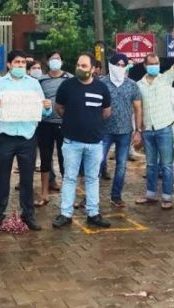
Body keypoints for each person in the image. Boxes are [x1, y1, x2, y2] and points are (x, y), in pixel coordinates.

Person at [0, 50, 52, 233]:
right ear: (9, 65)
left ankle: (28, 215)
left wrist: (47, 108)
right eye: (17, 62)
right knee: (2, 178)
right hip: (5, 136)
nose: (20, 66)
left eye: (23, 62)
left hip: (27, 136)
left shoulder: (33, 84)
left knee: (27, 179)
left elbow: (43, 110)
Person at [52, 53, 112, 228]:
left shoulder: (102, 88)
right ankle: (65, 214)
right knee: (70, 177)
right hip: (72, 142)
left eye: (84, 66)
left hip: (95, 143)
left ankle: (93, 213)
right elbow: (59, 108)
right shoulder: (66, 86)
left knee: (93, 178)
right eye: (78, 65)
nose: (80, 68)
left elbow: (106, 112)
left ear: (93, 69)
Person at [135, 28, 174, 209]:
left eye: (156, 63)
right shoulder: (138, 85)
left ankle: (167, 196)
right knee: (150, 164)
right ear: (145, 66)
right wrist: (138, 131)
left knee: (167, 165)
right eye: (151, 63)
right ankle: (150, 194)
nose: (154, 65)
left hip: (164, 128)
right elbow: (137, 109)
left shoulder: (165, 79)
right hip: (148, 129)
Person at [99, 53, 142, 207]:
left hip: (125, 132)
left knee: (121, 165)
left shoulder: (132, 84)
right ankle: (90, 197)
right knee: (98, 162)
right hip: (104, 131)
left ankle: (116, 195)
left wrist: (138, 130)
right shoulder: (101, 83)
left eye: (124, 65)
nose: (121, 68)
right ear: (111, 66)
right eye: (118, 64)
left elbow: (138, 108)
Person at [36, 51, 71, 205]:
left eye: (57, 58)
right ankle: (44, 193)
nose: (55, 61)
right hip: (45, 124)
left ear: (62, 61)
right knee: (45, 158)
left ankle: (67, 194)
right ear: (47, 62)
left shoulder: (69, 78)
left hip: (65, 124)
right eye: (52, 59)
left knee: (66, 159)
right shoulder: (41, 80)